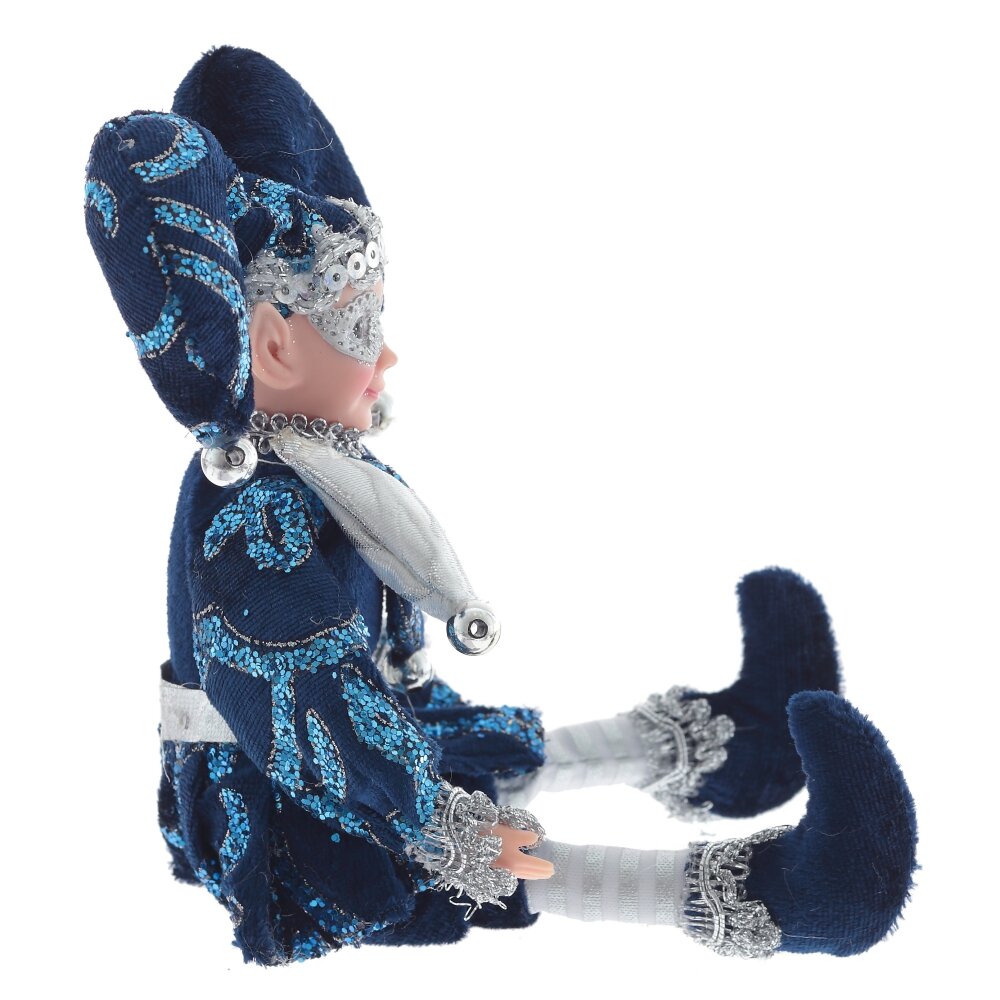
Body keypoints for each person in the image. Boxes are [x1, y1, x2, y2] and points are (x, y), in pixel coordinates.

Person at [84, 46, 917, 965]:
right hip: (294, 796)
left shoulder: (312, 467)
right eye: (359, 325)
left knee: (479, 750)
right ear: (275, 349)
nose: (386, 356)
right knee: (486, 858)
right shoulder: (255, 518)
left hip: (371, 722)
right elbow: (294, 694)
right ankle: (780, 899)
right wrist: (432, 819)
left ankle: (729, 748)